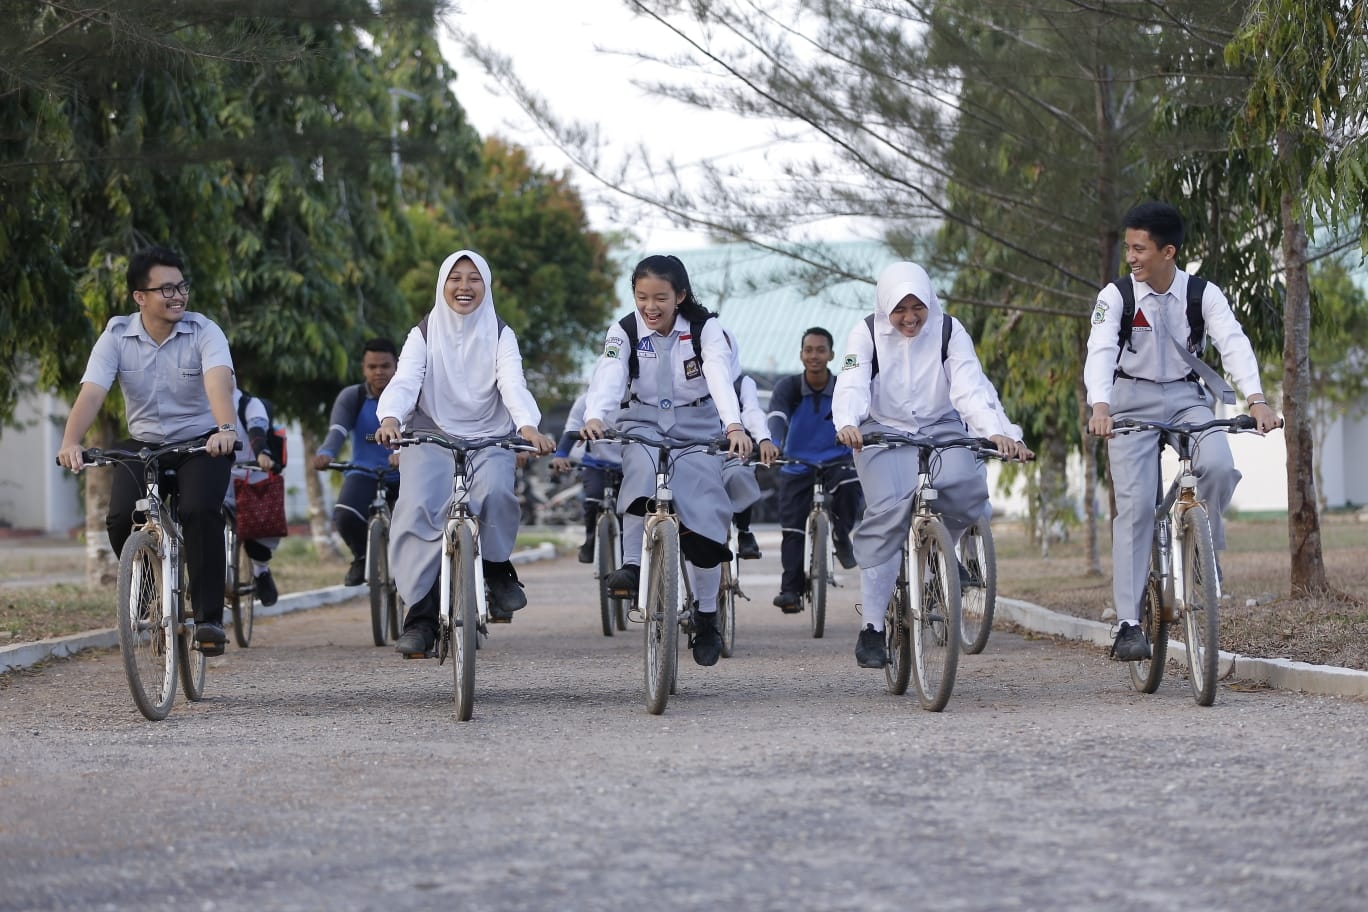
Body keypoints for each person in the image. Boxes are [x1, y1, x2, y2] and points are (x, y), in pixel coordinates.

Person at [1085, 201, 1279, 661]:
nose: (1131, 257)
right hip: (1128, 400)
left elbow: (1233, 342)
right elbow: (1100, 348)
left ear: (1167, 251)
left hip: (1187, 399)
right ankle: (1130, 623)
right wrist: (1100, 404)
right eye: (1129, 247)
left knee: (1217, 463)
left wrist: (1256, 399)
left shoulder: (1202, 294)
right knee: (1134, 507)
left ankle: (1202, 548)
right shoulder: (1117, 296)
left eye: (1140, 248)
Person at [834, 261, 1032, 669]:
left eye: (917, 307)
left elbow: (969, 386)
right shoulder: (866, 331)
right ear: (885, 306)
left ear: (929, 301)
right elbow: (852, 382)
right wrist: (848, 422)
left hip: (940, 427)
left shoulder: (948, 329)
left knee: (966, 486)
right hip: (881, 432)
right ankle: (872, 628)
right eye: (900, 309)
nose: (910, 318)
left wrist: (994, 430)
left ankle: (945, 548)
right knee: (887, 514)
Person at [56, 246, 239, 656]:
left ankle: (208, 618)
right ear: (140, 296)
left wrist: (225, 428)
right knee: (121, 517)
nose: (178, 296)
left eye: (182, 286)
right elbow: (92, 392)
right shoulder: (117, 336)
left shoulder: (204, 331)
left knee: (199, 511)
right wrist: (70, 441)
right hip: (144, 444)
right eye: (166, 289)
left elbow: (218, 382)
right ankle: (147, 587)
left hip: (201, 442)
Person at [375, 250, 555, 657]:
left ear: (486, 286)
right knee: (418, 506)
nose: (464, 286)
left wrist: (528, 426)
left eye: (474, 278)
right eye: (455, 278)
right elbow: (405, 380)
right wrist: (390, 418)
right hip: (431, 435)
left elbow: (512, 383)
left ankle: (495, 569)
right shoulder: (423, 332)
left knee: (495, 493)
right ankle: (419, 616)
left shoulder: (500, 332)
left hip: (490, 435)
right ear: (442, 285)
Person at [580, 254, 754, 667]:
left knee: (707, 512)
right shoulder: (623, 330)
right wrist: (595, 416)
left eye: (660, 297)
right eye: (642, 297)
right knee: (639, 467)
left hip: (698, 424)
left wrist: (733, 425)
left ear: (680, 295)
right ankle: (633, 566)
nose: (650, 307)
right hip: (642, 420)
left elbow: (717, 375)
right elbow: (609, 371)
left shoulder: (704, 329)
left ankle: (707, 614)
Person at [766, 327, 863, 613]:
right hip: (798, 463)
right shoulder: (789, 387)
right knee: (792, 529)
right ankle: (790, 590)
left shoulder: (843, 386)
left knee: (849, 489)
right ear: (801, 355)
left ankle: (841, 536)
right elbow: (777, 415)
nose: (814, 356)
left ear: (831, 355)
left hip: (838, 460)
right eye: (809, 350)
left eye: (821, 350)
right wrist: (774, 443)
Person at [312, 338, 402, 586]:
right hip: (364, 472)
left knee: (420, 523)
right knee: (345, 516)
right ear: (363, 368)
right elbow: (338, 429)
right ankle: (362, 557)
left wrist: (404, 455)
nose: (379, 372)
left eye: (385, 366)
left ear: (397, 366)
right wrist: (327, 452)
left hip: (407, 474)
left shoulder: (411, 395)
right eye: (372, 367)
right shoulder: (353, 396)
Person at [550, 390, 622, 563]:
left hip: (628, 465)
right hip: (596, 463)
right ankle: (590, 540)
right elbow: (572, 427)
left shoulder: (635, 397)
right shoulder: (585, 400)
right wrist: (560, 454)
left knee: (627, 510)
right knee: (593, 500)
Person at [225, 386, 281, 606]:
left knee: (259, 531)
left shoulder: (249, 404)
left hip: (250, 475)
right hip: (213, 474)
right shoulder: (197, 403)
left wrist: (262, 453)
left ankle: (261, 572)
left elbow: (257, 430)